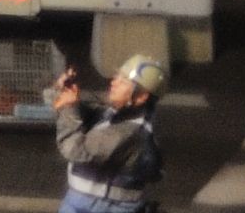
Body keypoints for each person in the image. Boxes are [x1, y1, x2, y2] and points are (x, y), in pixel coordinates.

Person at [54, 53, 168, 211]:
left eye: (123, 81)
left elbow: (75, 149)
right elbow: (78, 115)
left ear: (141, 96)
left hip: (106, 207)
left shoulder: (130, 131)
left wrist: (68, 108)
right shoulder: (114, 113)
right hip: (82, 202)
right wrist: (66, 95)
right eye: (117, 76)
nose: (114, 82)